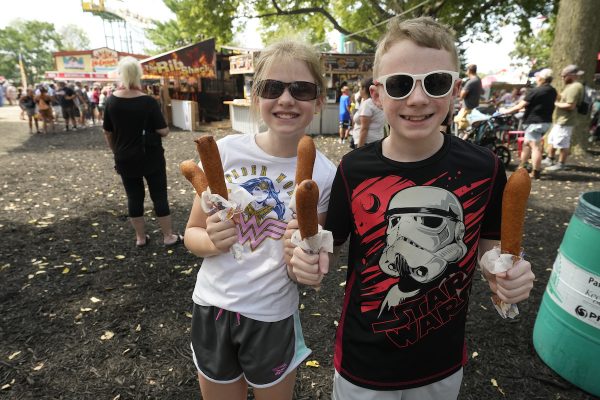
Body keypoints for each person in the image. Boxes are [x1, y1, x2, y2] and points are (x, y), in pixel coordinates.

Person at [286, 17, 535, 400]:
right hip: (362, 359)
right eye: (400, 85)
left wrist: (505, 275)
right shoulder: (353, 169)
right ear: (377, 95)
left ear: (454, 90)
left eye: (434, 82)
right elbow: (328, 245)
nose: (417, 99)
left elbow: (490, 247)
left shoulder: (485, 168)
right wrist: (305, 258)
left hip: (441, 361)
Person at [183, 39, 336, 400]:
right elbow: (191, 233)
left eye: (301, 89)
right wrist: (212, 240)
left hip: (273, 314)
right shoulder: (223, 154)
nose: (286, 99)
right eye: (272, 88)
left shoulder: (325, 175)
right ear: (256, 96)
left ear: (318, 100)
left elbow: (308, 263)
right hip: (212, 306)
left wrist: (306, 260)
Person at [102, 56, 182, 248]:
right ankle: (168, 236)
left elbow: (108, 132)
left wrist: (116, 151)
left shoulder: (111, 101)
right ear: (139, 75)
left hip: (125, 157)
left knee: (134, 197)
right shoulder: (148, 102)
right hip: (151, 156)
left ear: (121, 75)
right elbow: (164, 131)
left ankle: (140, 238)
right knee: (159, 195)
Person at [502, 68, 557, 179]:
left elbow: (520, 105)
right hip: (545, 122)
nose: (536, 79)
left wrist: (505, 111)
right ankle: (522, 166)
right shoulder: (552, 91)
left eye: (537, 77)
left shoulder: (536, 91)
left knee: (535, 146)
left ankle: (536, 171)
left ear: (542, 78)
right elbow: (540, 105)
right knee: (527, 144)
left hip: (535, 123)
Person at [542, 64, 585, 171]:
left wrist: (555, 103)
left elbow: (570, 105)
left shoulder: (575, 87)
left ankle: (561, 163)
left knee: (563, 143)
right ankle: (550, 158)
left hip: (566, 121)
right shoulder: (570, 86)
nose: (562, 78)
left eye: (563, 76)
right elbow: (563, 98)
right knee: (552, 140)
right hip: (560, 120)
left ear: (571, 75)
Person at [350, 77, 385, 148]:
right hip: (377, 140)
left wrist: (359, 149)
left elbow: (364, 128)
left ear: (365, 89)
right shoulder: (380, 102)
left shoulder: (368, 104)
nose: (359, 90)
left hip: (365, 143)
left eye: (360, 88)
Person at [455, 63, 483, 139]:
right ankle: (467, 135)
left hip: (467, 108)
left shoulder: (471, 82)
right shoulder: (478, 80)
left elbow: (462, 95)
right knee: (469, 126)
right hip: (474, 107)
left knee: (458, 121)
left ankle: (464, 139)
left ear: (469, 70)